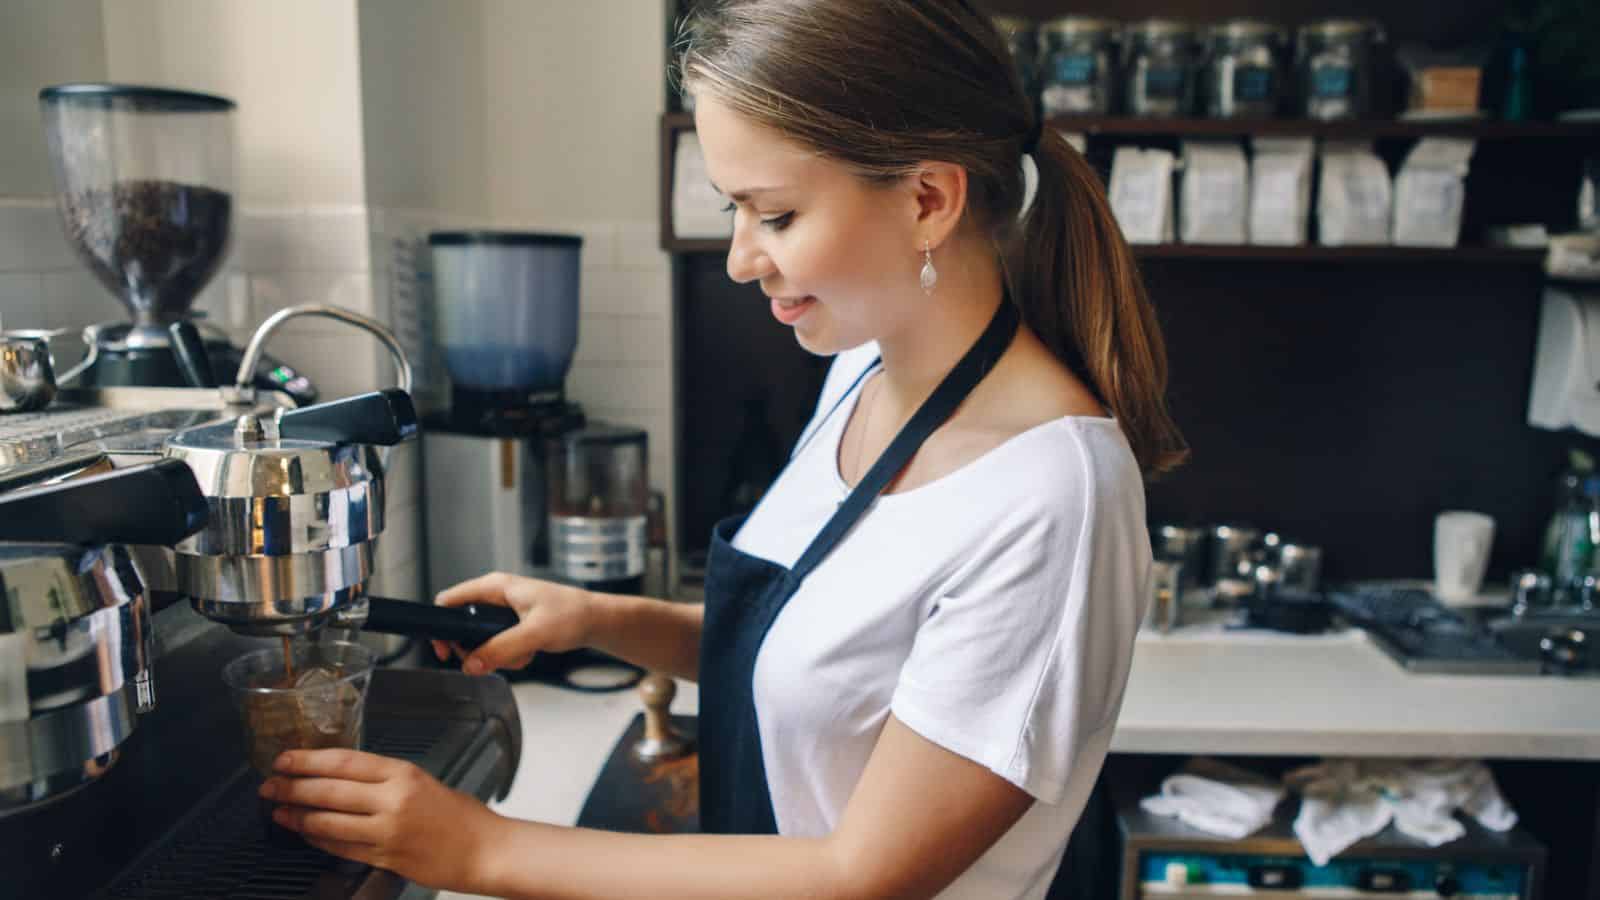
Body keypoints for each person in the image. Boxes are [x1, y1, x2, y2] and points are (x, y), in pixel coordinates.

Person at [258, 1, 1188, 897]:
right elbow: (828, 670)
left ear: (927, 200)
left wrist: (482, 848)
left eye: (774, 213)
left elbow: (861, 873)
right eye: (732, 209)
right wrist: (600, 619)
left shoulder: (1052, 496)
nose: (743, 256)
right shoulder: (863, 372)